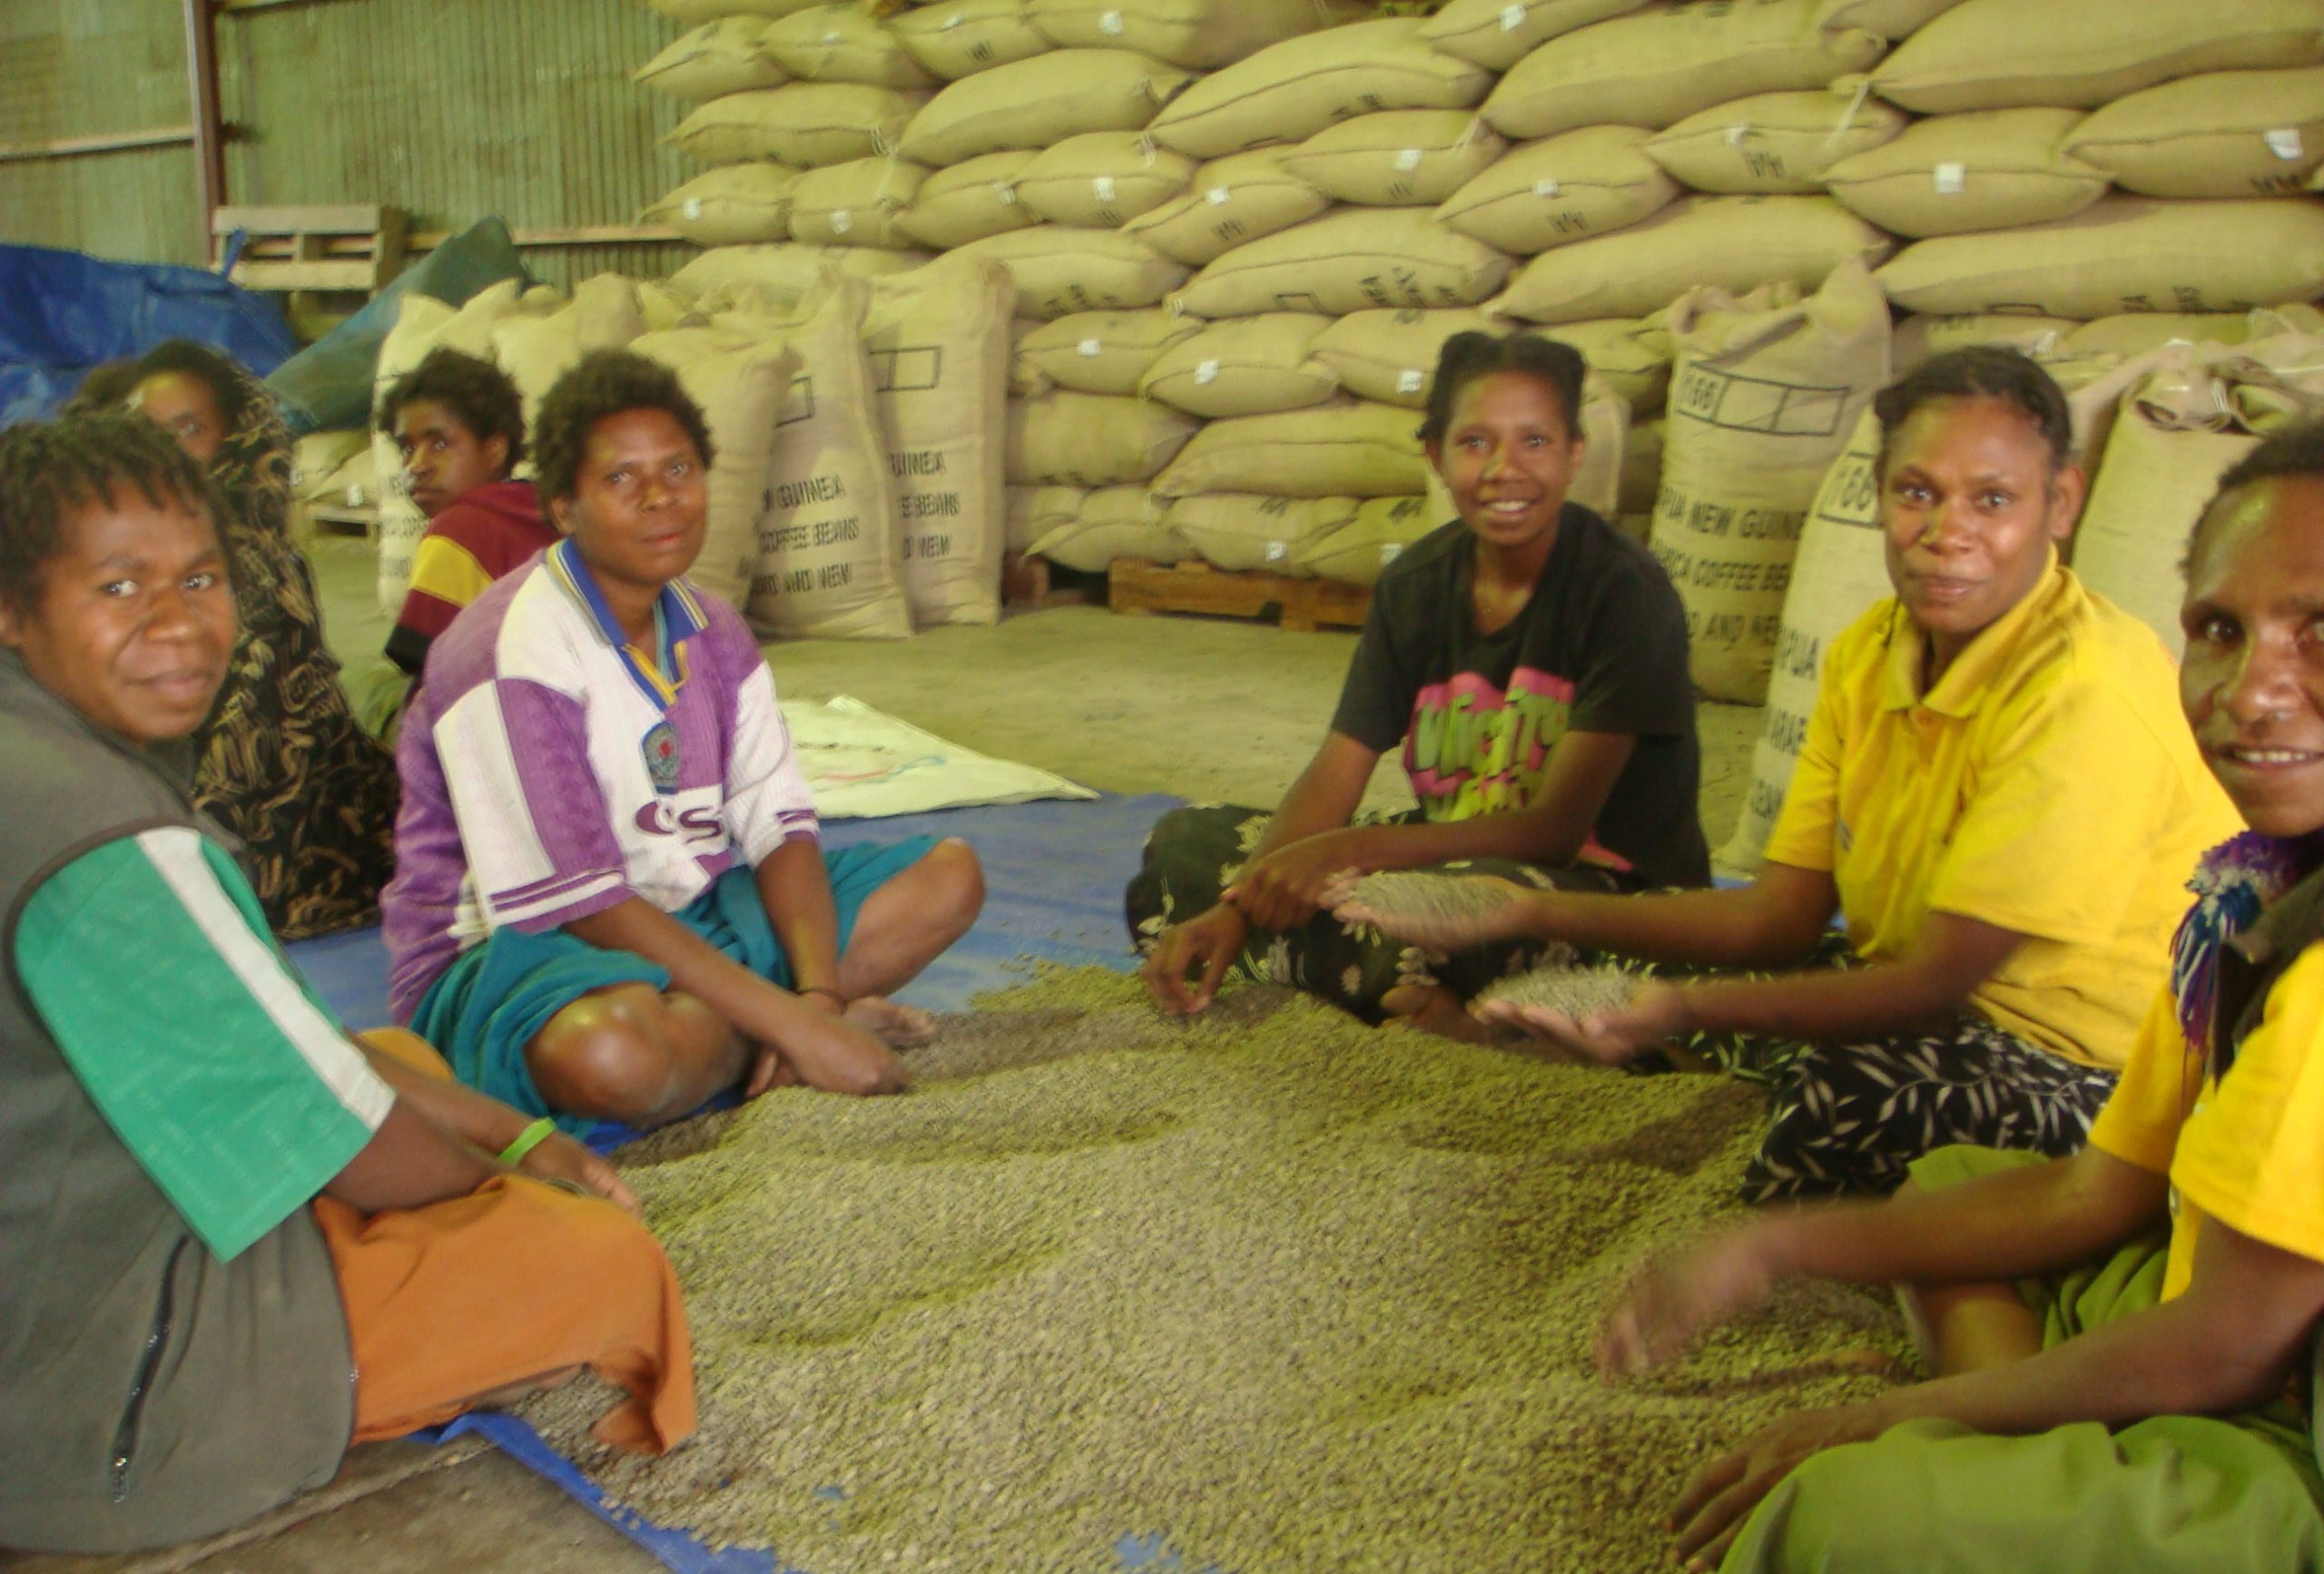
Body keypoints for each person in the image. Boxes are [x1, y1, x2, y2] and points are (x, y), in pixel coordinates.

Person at [1587, 422, 2324, 1574]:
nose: (2252, 690)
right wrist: (1774, 1249)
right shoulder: (2247, 898)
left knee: (1837, 1519)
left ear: (2059, 510)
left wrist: (1881, 1420)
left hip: (2283, 1427)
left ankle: (2042, 1457)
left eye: (2317, 631)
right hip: (2207, 1290)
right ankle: (2048, 1442)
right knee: (1952, 1178)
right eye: (2220, 630)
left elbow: (2232, 1345)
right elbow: (2102, 1186)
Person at [0, 411, 694, 1554]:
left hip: (61, 1252)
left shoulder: (44, 758)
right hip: (99, 1412)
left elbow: (292, 1049)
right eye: (119, 588)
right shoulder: (114, 847)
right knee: (601, 1262)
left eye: (202, 576)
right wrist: (504, 1187)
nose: (177, 623)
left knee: (409, 1066)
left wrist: (516, 1138)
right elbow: (359, 1146)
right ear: (16, 610)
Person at [1329, 348, 2240, 1199]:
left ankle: (1689, 1110)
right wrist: (1522, 906)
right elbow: (1779, 917)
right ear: (1879, 494)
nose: (1944, 533)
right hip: (1915, 992)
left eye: (1991, 501)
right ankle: (1649, 1070)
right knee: (1623, 950)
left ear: (2063, 504)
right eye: (1916, 492)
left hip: (2087, 1062)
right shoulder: (1864, 655)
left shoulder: (2084, 691)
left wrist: (1666, 1009)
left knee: (1837, 1087)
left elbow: (1932, 984)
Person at [383, 349, 985, 1132]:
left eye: (678, 469)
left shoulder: (714, 629)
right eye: (621, 479)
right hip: (517, 953)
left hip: (684, 916)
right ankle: (745, 1043)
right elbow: (584, 904)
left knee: (948, 879)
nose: (660, 499)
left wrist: (816, 997)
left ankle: (731, 1039)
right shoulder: (510, 651)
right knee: (610, 1057)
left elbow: (778, 823)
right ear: (563, 508)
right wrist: (796, 1027)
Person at [1131, 331, 1709, 1029]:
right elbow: (1338, 771)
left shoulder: (1624, 594)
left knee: (1449, 908)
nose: (1505, 469)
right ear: (1434, 455)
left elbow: (1552, 832)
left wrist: (1349, 852)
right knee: (1188, 845)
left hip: (1594, 892)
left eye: (1535, 442)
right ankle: (1407, 988)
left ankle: (1385, 977)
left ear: (1574, 453)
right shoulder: (1415, 587)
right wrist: (1240, 902)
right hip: (1447, 851)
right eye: (1475, 443)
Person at [124, 338, 399, 939]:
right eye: (148, 432)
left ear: (235, 438)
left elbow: (257, 733)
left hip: (279, 825)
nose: (167, 453)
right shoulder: (111, 559)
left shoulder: (257, 567)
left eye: (188, 429)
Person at [378, 346, 557, 679]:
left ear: (493, 450)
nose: (417, 466)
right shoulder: (537, 507)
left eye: (440, 445)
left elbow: (421, 665)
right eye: (407, 448)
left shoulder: (459, 529)